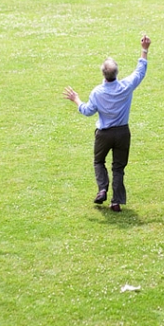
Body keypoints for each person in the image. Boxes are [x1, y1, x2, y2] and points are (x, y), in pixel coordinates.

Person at [64, 35, 151, 211]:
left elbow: (87, 111)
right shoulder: (126, 86)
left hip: (103, 134)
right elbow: (140, 71)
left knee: (99, 162)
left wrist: (76, 100)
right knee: (118, 168)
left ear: (103, 74)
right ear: (117, 72)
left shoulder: (97, 92)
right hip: (122, 133)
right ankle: (116, 202)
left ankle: (102, 189)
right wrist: (144, 49)